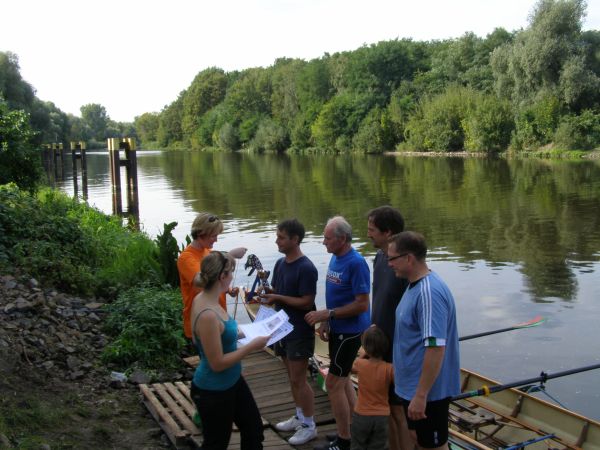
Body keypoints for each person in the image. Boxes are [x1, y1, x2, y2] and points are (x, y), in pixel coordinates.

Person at [189, 251, 270, 450]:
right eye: (231, 272)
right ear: (221, 277)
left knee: (253, 430)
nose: (232, 277)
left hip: (233, 381)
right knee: (216, 444)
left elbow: (223, 334)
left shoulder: (209, 297)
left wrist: (247, 333)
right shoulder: (207, 313)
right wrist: (252, 345)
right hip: (213, 390)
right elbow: (217, 363)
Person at [387, 232, 460, 450]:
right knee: (418, 440)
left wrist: (421, 396)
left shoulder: (429, 293)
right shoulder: (413, 285)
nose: (389, 264)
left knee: (434, 446)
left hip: (429, 394)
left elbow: (436, 348)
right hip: (412, 388)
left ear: (408, 258)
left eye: (392, 258)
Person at [305, 216, 370, 450]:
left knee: (333, 384)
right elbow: (336, 295)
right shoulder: (336, 256)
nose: (323, 242)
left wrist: (327, 314)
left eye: (327, 237)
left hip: (350, 332)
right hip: (337, 328)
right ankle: (352, 431)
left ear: (342, 239)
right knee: (341, 383)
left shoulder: (356, 263)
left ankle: (344, 442)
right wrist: (328, 321)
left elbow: (362, 304)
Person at [259, 219, 319, 445]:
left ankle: (309, 425)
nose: (277, 240)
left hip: (299, 330)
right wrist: (269, 293)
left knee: (299, 379)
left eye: (281, 237)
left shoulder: (306, 267)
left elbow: (306, 302)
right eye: (277, 236)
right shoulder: (280, 263)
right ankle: (299, 415)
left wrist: (277, 297)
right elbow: (279, 291)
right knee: (291, 377)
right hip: (280, 329)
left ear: (295, 240)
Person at [366, 206, 413, 450]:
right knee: (388, 409)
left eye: (372, 230)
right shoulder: (379, 258)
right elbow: (380, 298)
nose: (368, 235)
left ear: (388, 232)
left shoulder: (405, 268)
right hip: (380, 347)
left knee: (397, 411)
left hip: (399, 351)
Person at [177, 212, 246, 339]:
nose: (216, 239)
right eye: (213, 236)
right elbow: (204, 282)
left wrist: (228, 290)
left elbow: (215, 282)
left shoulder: (207, 252)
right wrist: (230, 255)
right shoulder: (186, 258)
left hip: (218, 318)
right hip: (202, 322)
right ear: (200, 234)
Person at [350, 326, 394, 450]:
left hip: (361, 414)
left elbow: (351, 367)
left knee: (357, 445)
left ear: (365, 348)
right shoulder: (389, 368)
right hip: (382, 416)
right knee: (378, 446)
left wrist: (364, 354)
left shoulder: (360, 364)